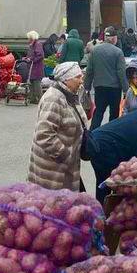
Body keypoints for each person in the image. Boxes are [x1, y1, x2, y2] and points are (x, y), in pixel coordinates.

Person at [26, 62, 88, 191]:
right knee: (53, 205)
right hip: (53, 170)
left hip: (65, 167)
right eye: (77, 77)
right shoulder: (53, 98)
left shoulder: (70, 95)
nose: (81, 81)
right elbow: (44, 134)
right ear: (66, 79)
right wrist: (65, 155)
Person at [84, 26, 128, 128]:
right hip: (115, 88)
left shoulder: (95, 51)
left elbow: (89, 70)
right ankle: (110, 136)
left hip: (99, 87)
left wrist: (87, 87)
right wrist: (126, 89)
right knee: (114, 114)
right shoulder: (118, 52)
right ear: (114, 38)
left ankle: (92, 135)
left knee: (98, 112)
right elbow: (121, 72)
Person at [26, 31, 45, 105]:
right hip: (32, 67)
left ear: (32, 38)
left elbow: (40, 55)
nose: (28, 40)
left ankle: (41, 99)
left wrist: (31, 59)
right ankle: (33, 98)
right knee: (32, 83)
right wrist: (27, 58)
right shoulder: (32, 45)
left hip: (36, 67)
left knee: (37, 84)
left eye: (29, 38)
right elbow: (31, 54)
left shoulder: (37, 44)